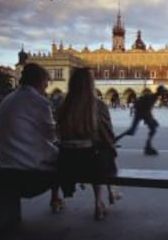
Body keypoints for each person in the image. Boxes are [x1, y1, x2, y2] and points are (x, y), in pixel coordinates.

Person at [0, 63, 63, 212]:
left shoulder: (7, 99)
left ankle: (56, 199)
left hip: (2, 168)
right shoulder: (39, 102)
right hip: (29, 175)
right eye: (46, 82)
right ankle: (55, 199)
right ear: (40, 81)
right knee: (64, 158)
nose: (46, 86)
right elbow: (51, 136)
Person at [56, 67, 120, 221]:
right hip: (92, 164)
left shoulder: (63, 106)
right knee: (101, 154)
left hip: (66, 163)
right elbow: (108, 135)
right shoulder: (98, 106)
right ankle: (99, 203)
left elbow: (58, 134)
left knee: (90, 152)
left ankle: (56, 198)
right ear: (91, 84)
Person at [115, 85, 168, 155]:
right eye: (163, 92)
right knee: (133, 131)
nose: (164, 93)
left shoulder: (154, 97)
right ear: (160, 92)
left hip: (141, 114)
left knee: (135, 131)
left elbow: (148, 110)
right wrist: (150, 120)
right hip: (140, 114)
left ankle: (148, 147)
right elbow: (147, 110)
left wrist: (150, 119)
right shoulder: (152, 97)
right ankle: (147, 147)